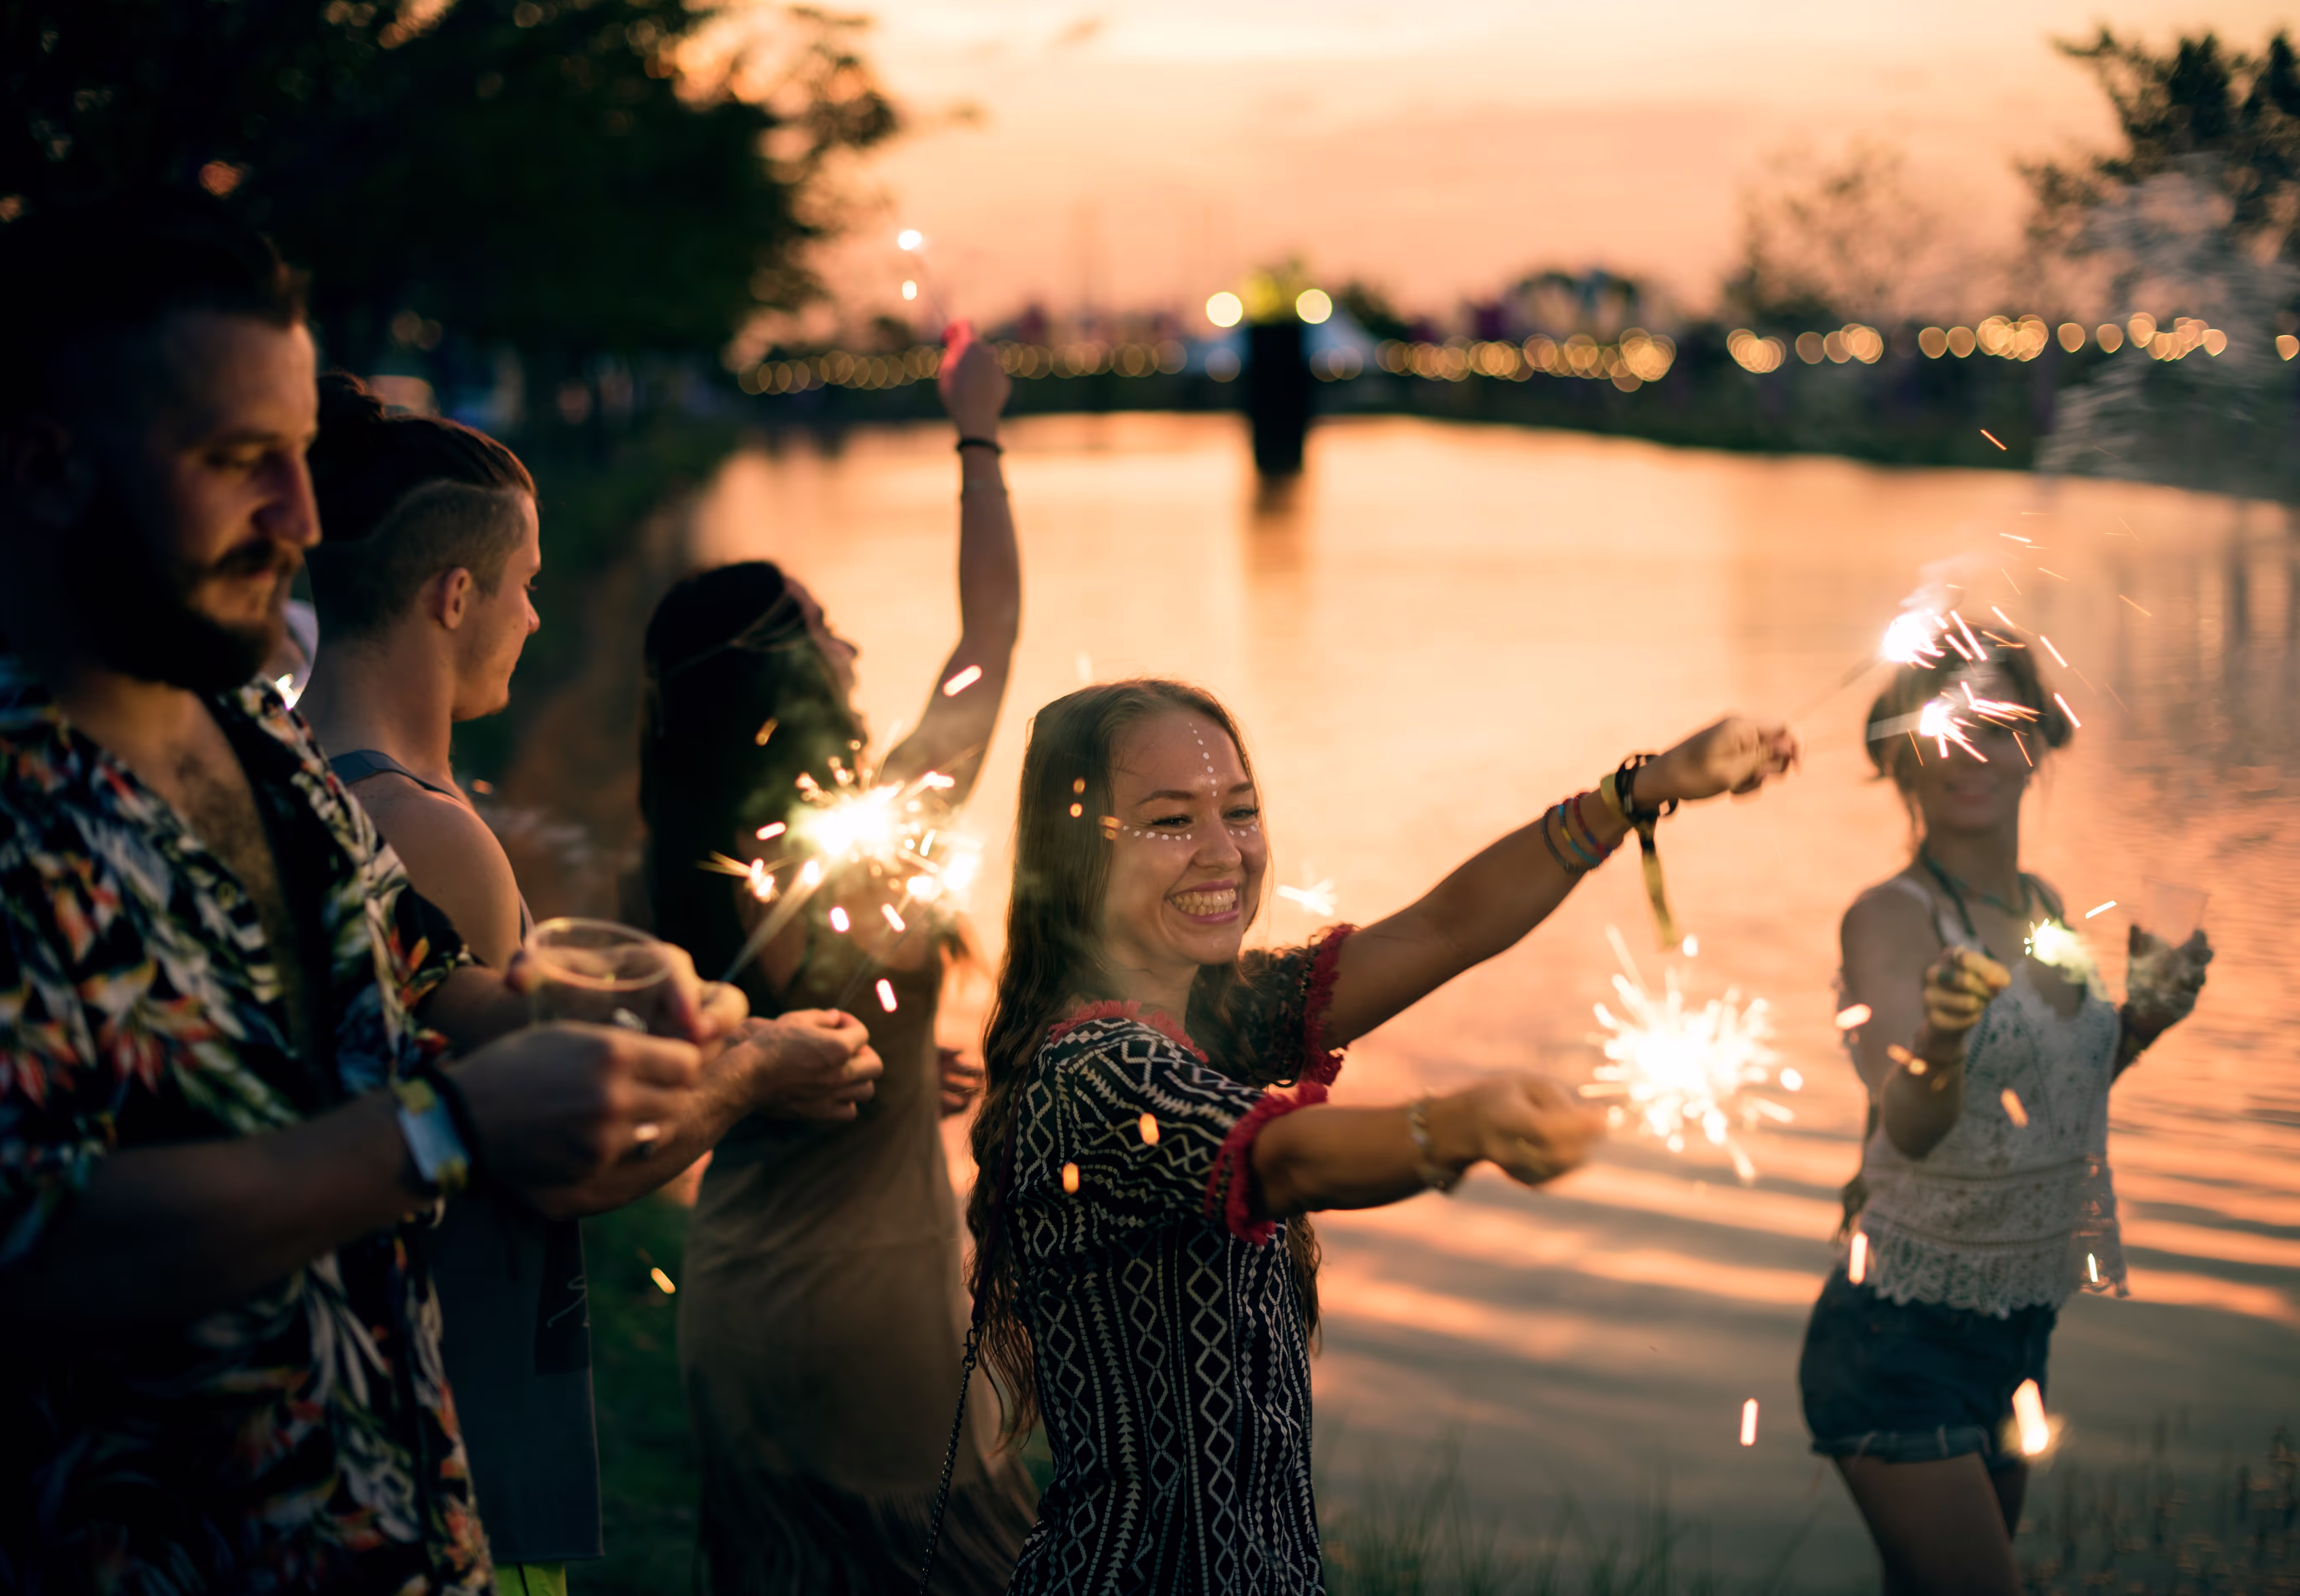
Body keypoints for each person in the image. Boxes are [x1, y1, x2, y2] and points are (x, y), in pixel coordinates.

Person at [0, 189, 737, 1594]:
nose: (304, 515)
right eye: (239, 460)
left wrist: (587, 1013)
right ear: (43, 465)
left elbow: (399, 1007)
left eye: (305, 458)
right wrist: (441, 1131)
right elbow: (24, 1241)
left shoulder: (257, 733)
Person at [963, 678, 1797, 1594]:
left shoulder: (1223, 1012)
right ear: (1076, 851)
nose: (1224, 853)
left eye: (1239, 811)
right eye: (1170, 821)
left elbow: (1444, 926)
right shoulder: (1092, 1072)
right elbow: (1279, 1157)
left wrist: (1640, 789)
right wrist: (1449, 1126)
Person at [297, 375, 884, 1592]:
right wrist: (761, 1063)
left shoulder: (305, 779)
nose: (535, 615)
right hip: (466, 1391)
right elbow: (570, 1151)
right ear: (454, 595)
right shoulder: (428, 829)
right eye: (524, 581)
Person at [639, 322, 1031, 1592]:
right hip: (876, 1317)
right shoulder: (863, 847)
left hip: (742, 1299)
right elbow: (991, 635)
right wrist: (974, 428)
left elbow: (794, 1055)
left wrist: (917, 1066)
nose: (854, 649)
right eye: (825, 627)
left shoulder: (689, 868)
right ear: (791, 671)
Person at [1795, 639, 2211, 1596]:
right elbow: (1911, 1122)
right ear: (1900, 755)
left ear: (2037, 747)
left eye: (1994, 728)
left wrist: (2144, 1015)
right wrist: (1940, 1041)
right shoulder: (1887, 920)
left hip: (2017, 1330)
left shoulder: (2043, 909)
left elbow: (2054, 1097)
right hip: (1897, 1339)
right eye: (1940, 729)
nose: (1967, 752)